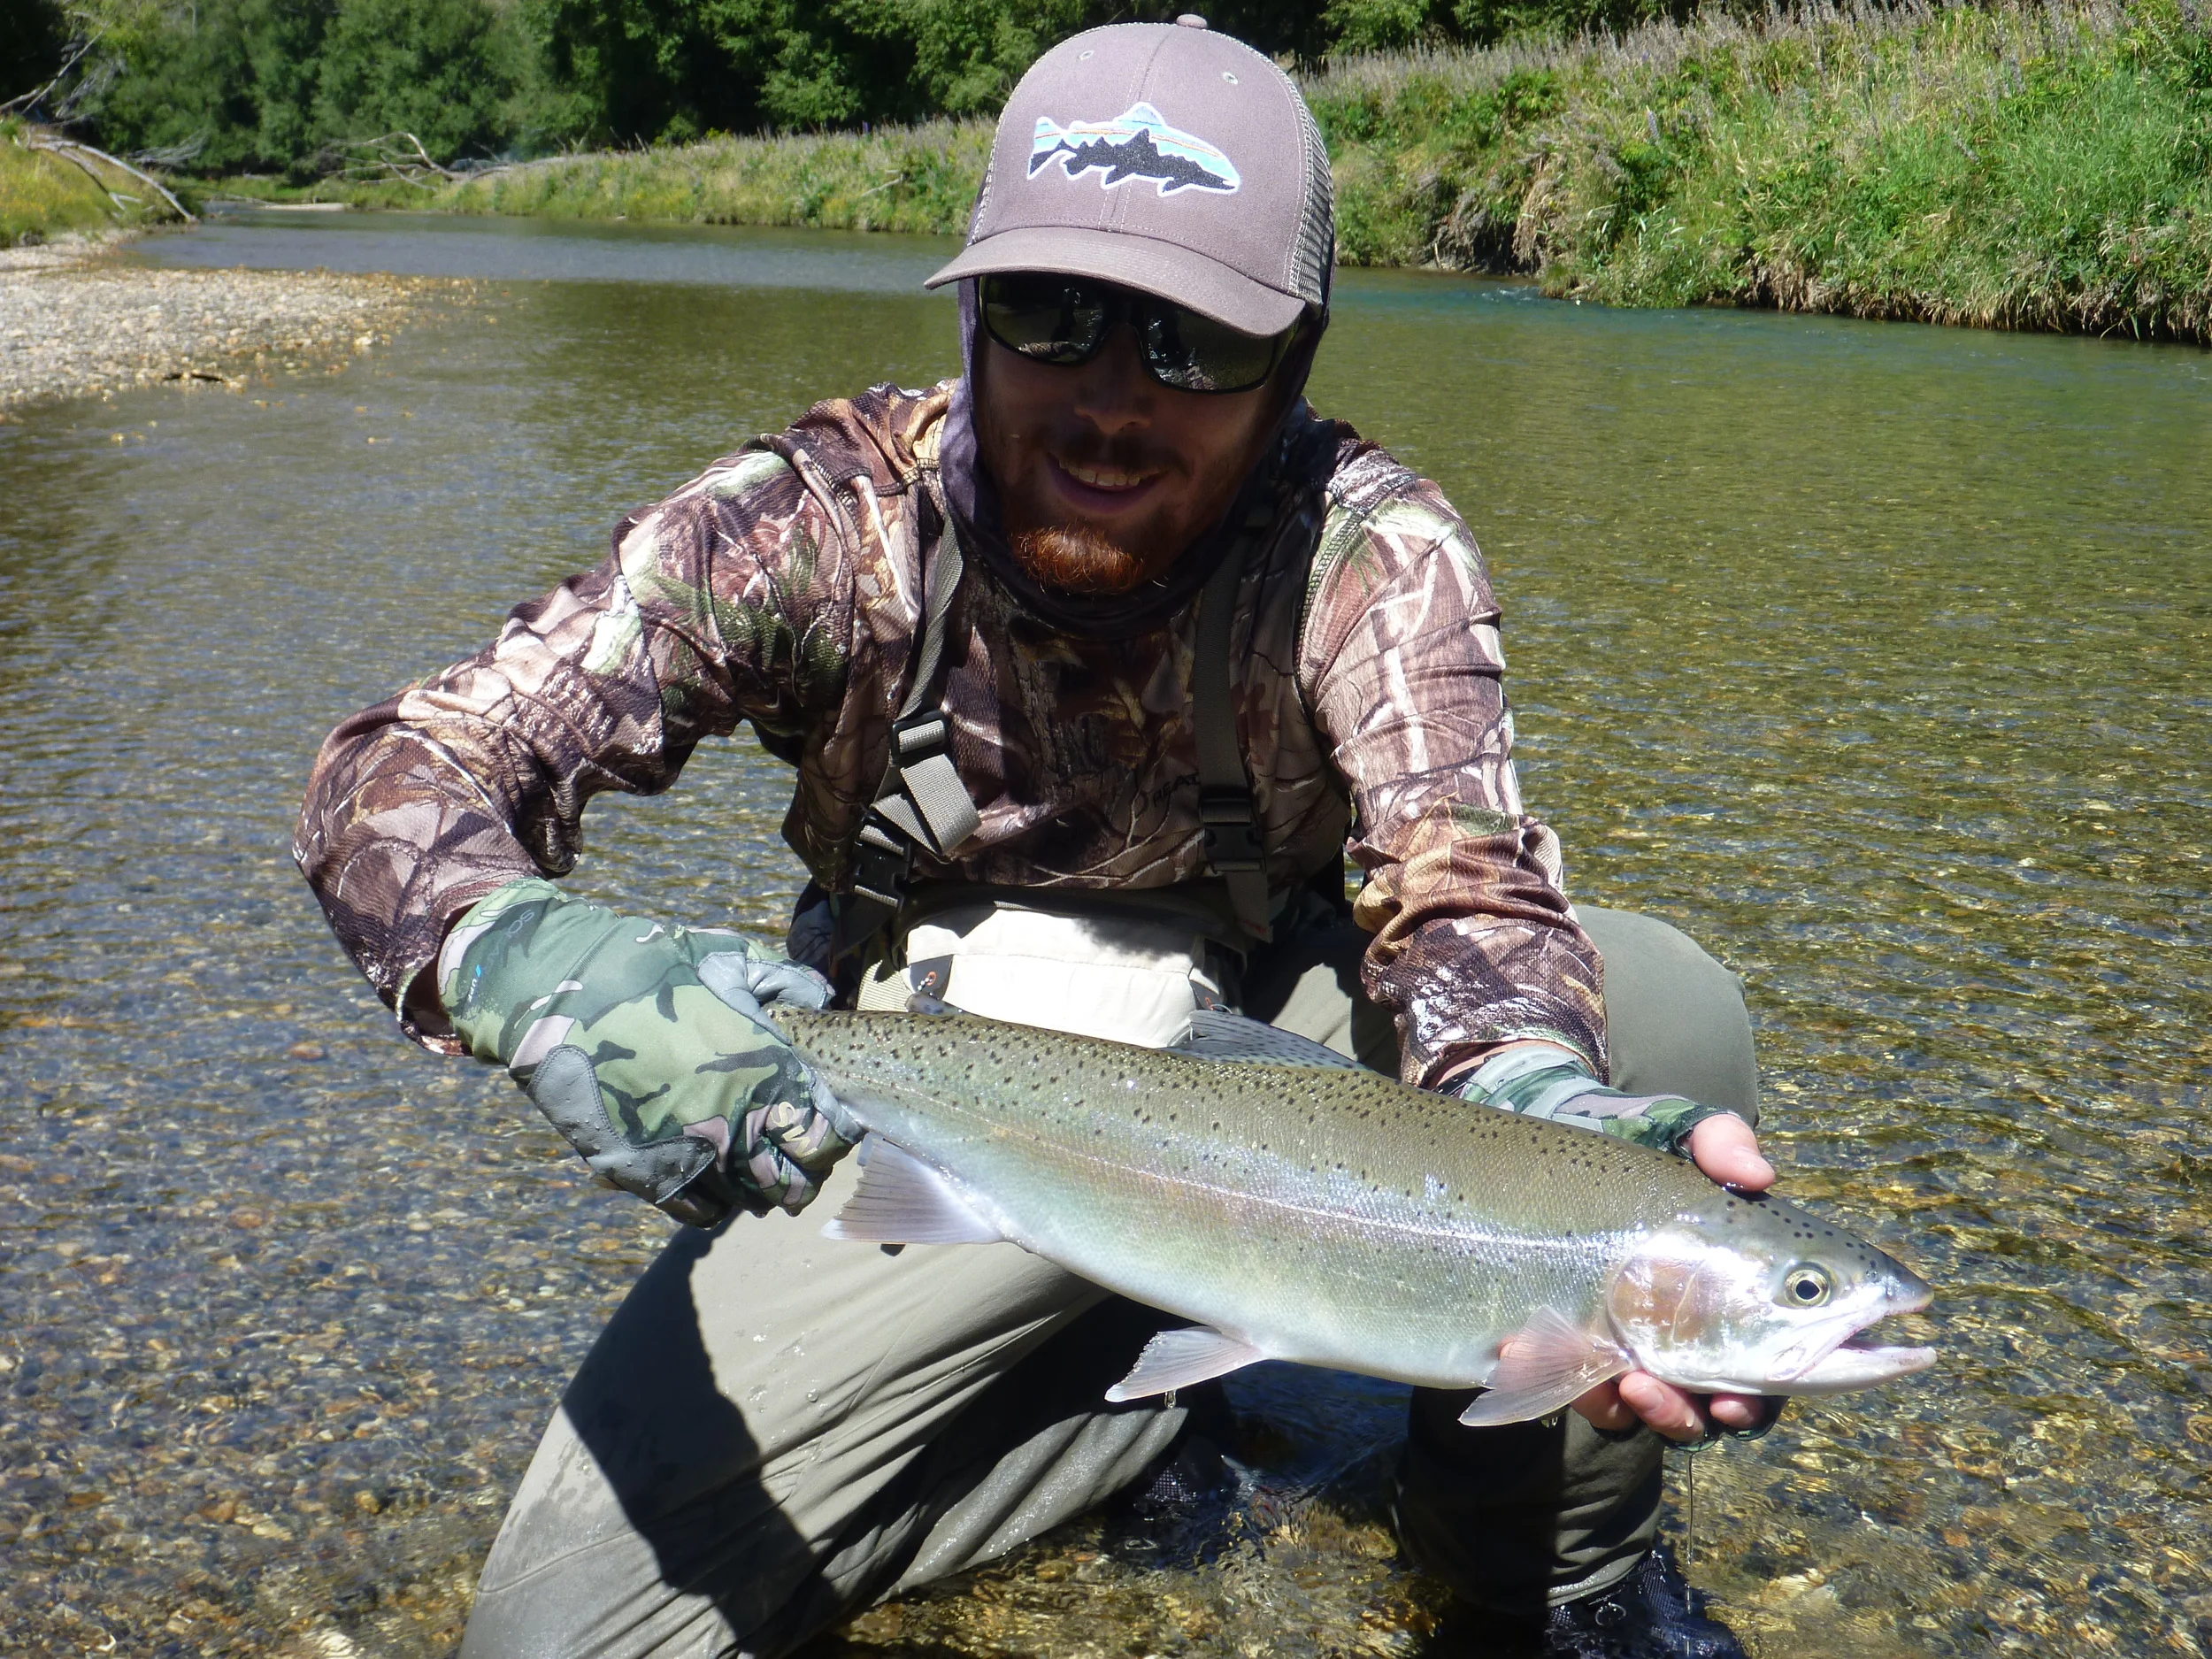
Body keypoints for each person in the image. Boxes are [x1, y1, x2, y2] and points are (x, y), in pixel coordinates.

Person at [296, 19, 1781, 1658]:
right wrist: (530, 960)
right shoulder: (820, 522)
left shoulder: (1370, 548)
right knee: (561, 1636)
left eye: (1193, 342)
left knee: (1656, 1013)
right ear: (972, 311)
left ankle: (1547, 1575)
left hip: (1277, 1061)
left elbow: (1468, 887)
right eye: (1051, 312)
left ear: (1293, 357)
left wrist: (1542, 1096)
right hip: (938, 1092)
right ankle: (1102, 1411)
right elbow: (399, 766)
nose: (1111, 398)